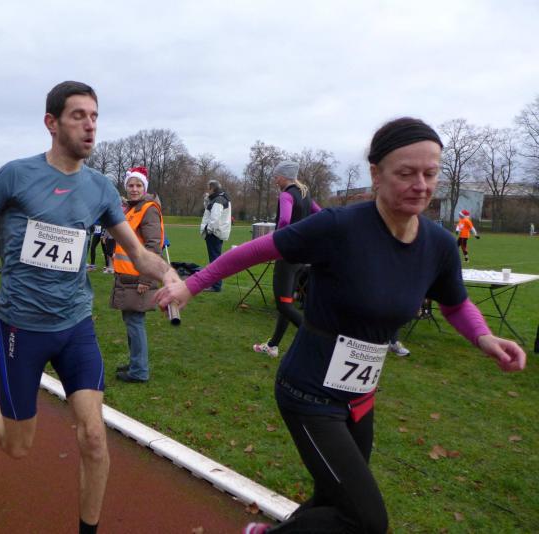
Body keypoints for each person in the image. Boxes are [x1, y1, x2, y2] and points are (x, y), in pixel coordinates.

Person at [156, 117, 526, 534]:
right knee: (366, 520)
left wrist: (484, 337)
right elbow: (256, 250)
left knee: (335, 500)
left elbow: (456, 304)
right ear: (376, 174)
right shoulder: (339, 226)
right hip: (308, 392)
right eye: (406, 173)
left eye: (430, 173)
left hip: (360, 396)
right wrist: (192, 285)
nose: (420, 185)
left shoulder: (438, 245)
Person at [0, 81, 180, 534]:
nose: (90, 126)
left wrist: (168, 274)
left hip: (75, 326)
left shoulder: (100, 189)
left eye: (95, 117)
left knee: (94, 437)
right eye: (78, 116)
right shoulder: (15, 176)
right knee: (17, 446)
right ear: (51, 123)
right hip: (20, 328)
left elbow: (138, 252)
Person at [252, 161, 320, 358]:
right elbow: (320, 214)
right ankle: (273, 346)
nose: (275, 181)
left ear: (284, 176)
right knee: (287, 302)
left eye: (276, 177)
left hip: (287, 257)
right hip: (302, 258)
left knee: (283, 305)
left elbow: (284, 220)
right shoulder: (306, 195)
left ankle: (317, 340)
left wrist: (279, 240)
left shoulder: (286, 195)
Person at [110, 166, 164, 383]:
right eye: (131, 185)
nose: (134, 189)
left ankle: (139, 370)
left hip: (137, 278)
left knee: (135, 323)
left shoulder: (148, 209)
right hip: (126, 277)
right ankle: (136, 363)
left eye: (138, 185)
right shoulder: (132, 209)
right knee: (131, 321)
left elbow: (153, 245)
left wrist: (146, 278)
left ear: (145, 188)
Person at [199, 179, 232, 292]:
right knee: (215, 259)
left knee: (214, 260)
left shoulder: (218, 200)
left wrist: (209, 230)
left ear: (212, 188)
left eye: (208, 188)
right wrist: (207, 200)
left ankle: (216, 285)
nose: (207, 190)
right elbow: (210, 210)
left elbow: (214, 217)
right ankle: (215, 284)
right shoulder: (220, 198)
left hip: (214, 233)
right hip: (217, 232)